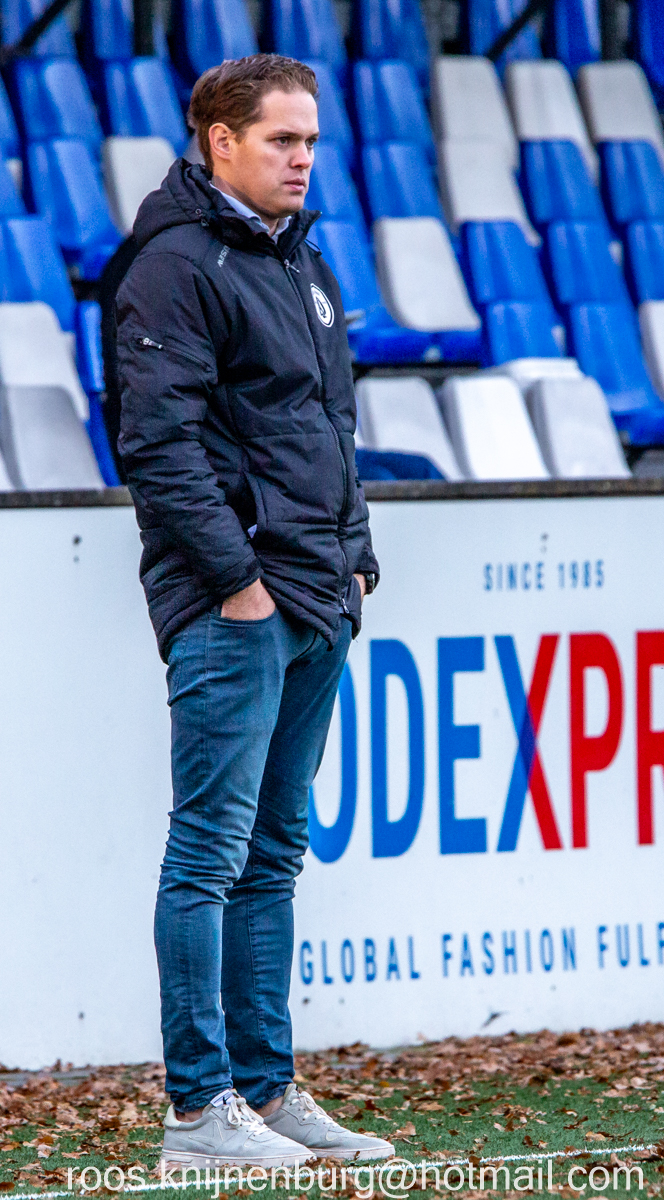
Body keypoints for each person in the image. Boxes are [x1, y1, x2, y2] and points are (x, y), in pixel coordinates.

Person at [116, 54, 389, 1170]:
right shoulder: (173, 266)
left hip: (317, 594)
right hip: (236, 603)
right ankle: (198, 1113)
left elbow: (331, 424)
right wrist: (237, 581)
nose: (302, 158)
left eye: (311, 140)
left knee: (272, 855)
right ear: (219, 140)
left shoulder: (302, 257)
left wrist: (357, 558)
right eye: (282, 139)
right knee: (210, 855)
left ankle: (267, 1093)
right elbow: (158, 446)